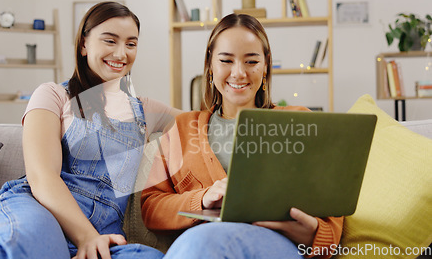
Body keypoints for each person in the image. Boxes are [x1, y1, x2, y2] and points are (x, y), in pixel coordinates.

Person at [0, 2, 180, 259]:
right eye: (110, 41)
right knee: (11, 251)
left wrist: (222, 73)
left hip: (104, 234)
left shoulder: (146, 110)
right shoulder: (54, 95)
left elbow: (206, 124)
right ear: (84, 44)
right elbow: (42, 176)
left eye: (131, 44)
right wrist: (86, 237)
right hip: (40, 211)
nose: (121, 53)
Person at [141, 13, 343, 259]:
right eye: (226, 60)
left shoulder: (299, 121)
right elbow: (151, 206)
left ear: (265, 65)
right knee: (201, 243)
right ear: (210, 65)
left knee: (200, 244)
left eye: (251, 61)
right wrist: (203, 198)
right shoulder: (182, 129)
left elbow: (333, 208)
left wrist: (314, 235)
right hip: (204, 246)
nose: (238, 73)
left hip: (276, 246)